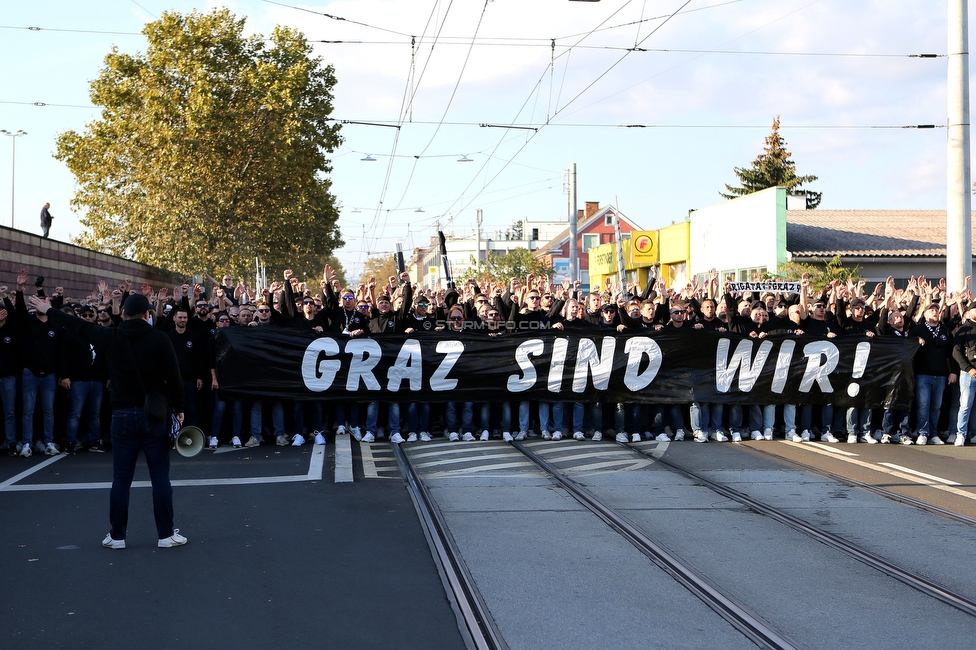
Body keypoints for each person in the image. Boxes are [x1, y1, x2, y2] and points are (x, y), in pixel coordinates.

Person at [29, 292, 187, 550]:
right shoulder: (160, 338)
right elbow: (174, 376)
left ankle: (117, 536)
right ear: (148, 314)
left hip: (122, 414)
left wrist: (50, 309)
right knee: (160, 477)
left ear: (123, 313)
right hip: (154, 414)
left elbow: (80, 326)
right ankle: (166, 534)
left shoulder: (111, 336)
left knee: (121, 479)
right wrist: (179, 408)